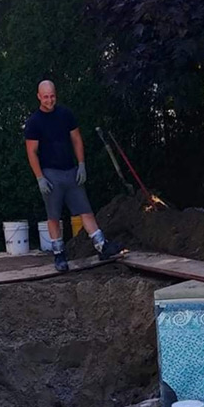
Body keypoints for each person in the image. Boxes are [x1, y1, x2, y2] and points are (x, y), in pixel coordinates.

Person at [24, 80, 121, 272]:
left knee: (85, 210)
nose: (49, 100)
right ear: (38, 97)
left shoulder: (65, 115)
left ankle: (102, 247)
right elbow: (31, 152)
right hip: (50, 174)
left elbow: (76, 139)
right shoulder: (34, 122)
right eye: (45, 97)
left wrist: (81, 165)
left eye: (52, 96)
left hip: (70, 170)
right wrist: (40, 177)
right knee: (54, 216)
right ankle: (59, 255)